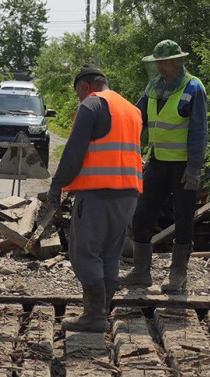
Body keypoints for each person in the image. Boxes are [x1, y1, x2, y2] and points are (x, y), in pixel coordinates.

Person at [47, 66, 143, 332]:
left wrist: (57, 186)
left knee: (84, 252)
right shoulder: (131, 109)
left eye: (78, 93)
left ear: (85, 87)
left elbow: (74, 151)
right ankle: (101, 312)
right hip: (128, 195)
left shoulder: (92, 105)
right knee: (110, 254)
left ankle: (94, 316)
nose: (79, 99)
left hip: (98, 194)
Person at [120, 40, 208, 293]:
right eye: (156, 62)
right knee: (142, 214)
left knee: (183, 219)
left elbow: (199, 131)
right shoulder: (153, 87)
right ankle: (141, 272)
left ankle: (178, 274)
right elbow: (137, 118)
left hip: (182, 166)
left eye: (162, 62)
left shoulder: (193, 88)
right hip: (158, 161)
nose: (158, 67)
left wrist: (194, 169)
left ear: (176, 61)